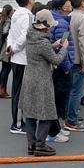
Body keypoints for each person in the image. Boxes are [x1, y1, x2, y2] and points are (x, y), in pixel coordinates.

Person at [20, 10, 68, 156]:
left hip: (29, 78)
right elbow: (56, 60)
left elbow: (41, 52)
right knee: (47, 113)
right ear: (45, 26)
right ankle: (40, 145)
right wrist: (63, 49)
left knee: (31, 113)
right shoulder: (43, 42)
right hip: (42, 81)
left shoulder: (31, 37)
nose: (52, 28)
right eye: (50, 25)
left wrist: (53, 46)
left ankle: (31, 145)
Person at [7, 0, 34, 134]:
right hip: (23, 58)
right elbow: (26, 34)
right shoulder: (28, 15)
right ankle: (17, 124)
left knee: (17, 91)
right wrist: (16, 48)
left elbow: (11, 33)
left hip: (15, 57)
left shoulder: (16, 13)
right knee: (20, 93)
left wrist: (10, 47)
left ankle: (18, 122)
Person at [65, 0, 84, 132]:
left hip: (69, 58)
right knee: (77, 92)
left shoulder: (69, 16)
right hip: (79, 60)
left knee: (70, 90)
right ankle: (72, 120)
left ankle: (69, 116)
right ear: (81, 3)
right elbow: (83, 42)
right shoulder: (83, 18)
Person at [49, 0, 73, 142]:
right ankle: (53, 132)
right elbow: (61, 47)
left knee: (58, 98)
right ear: (63, 6)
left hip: (58, 65)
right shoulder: (61, 23)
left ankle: (56, 128)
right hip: (61, 67)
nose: (70, 4)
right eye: (68, 2)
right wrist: (65, 66)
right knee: (59, 99)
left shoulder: (58, 20)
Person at [0, 5, 14, 99]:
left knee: (4, 69)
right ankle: (3, 90)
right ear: (10, 12)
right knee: (6, 69)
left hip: (3, 46)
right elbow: (5, 32)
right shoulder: (8, 21)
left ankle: (1, 89)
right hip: (7, 46)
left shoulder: (2, 19)